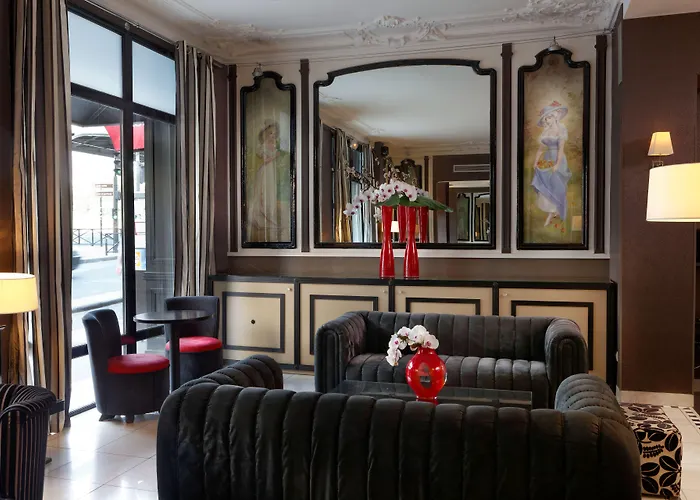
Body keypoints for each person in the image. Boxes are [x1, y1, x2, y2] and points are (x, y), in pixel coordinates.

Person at [246, 119, 291, 242]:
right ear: (266, 134)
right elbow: (265, 160)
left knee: (271, 192)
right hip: (265, 171)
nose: (272, 136)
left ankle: (270, 216)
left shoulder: (274, 145)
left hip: (271, 172)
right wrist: (274, 156)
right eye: (270, 133)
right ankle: (263, 215)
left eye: (274, 134)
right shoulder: (263, 146)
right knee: (264, 192)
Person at [531, 100, 572, 228]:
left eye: (549, 117)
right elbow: (541, 149)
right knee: (547, 184)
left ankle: (557, 210)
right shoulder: (545, 132)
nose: (547, 120)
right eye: (546, 118)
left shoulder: (561, 130)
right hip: (547, 158)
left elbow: (561, 150)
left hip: (558, 159)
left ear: (555, 116)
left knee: (557, 184)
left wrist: (557, 164)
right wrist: (535, 161)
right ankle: (551, 212)